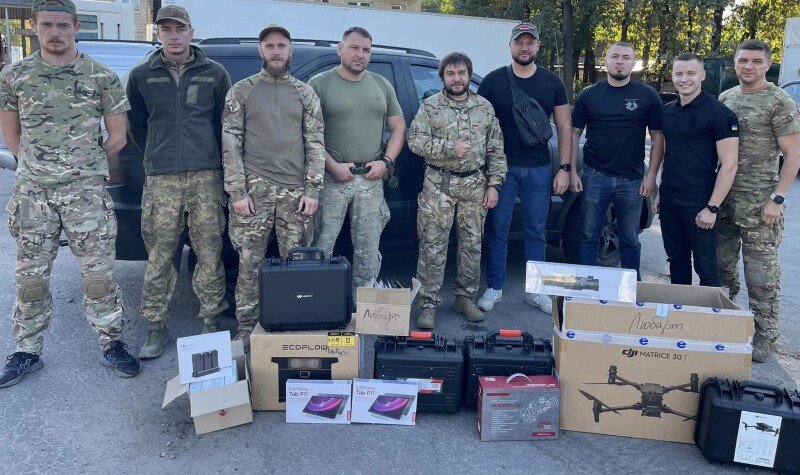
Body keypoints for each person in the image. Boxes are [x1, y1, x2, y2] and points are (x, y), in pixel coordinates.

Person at [0, 0, 139, 387]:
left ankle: (112, 342)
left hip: (86, 195)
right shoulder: (14, 76)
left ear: (76, 27)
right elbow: (10, 135)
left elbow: (118, 137)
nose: (55, 32)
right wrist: (38, 167)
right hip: (33, 195)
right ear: (34, 25)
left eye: (63, 25)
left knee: (99, 275)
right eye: (47, 24)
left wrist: (82, 167)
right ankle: (27, 350)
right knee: (30, 276)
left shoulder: (101, 76)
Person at [126, 5, 231, 359]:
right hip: (162, 179)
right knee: (160, 255)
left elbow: (223, 126)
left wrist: (212, 161)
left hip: (206, 177)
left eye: (180, 29)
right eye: (166, 29)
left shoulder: (214, 73)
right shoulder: (142, 75)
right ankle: (156, 326)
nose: (173, 36)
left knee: (209, 252)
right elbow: (137, 126)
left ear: (190, 32)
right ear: (158, 34)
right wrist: (159, 156)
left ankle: (211, 320)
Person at [222, 24, 325, 350]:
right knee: (249, 266)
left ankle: (292, 327)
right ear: (261, 51)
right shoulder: (242, 91)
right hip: (254, 193)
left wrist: (312, 190)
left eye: (282, 45)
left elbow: (315, 143)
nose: (276, 51)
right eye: (270, 46)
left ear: (290, 50)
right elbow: (230, 142)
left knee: (296, 267)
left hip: (296, 195)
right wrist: (237, 192)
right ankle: (246, 330)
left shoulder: (305, 93)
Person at [476, 22, 571, 315]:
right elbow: (479, 126)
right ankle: (494, 287)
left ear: (538, 46)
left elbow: (564, 127)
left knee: (536, 232)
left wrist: (565, 168)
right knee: (497, 230)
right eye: (519, 42)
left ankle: (536, 291)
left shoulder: (552, 82)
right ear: (510, 46)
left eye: (530, 42)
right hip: (501, 170)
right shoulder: (492, 81)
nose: (524, 47)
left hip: (539, 168)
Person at [407, 52, 507, 329]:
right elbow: (414, 141)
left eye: (461, 73)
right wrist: (450, 148)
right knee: (432, 245)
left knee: (472, 245)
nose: (457, 79)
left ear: (469, 75)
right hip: (438, 186)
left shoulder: (484, 108)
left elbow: (496, 149)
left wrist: (494, 184)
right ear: (442, 77)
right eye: (450, 74)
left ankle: (465, 298)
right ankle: (428, 303)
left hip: (475, 186)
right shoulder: (430, 107)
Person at [717, 40, 800, 363]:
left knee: (761, 276)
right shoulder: (727, 97)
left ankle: (765, 336)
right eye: (743, 60)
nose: (748, 66)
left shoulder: (779, 101)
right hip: (725, 200)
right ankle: (726, 323)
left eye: (755, 61)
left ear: (767, 64)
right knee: (722, 269)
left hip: (760, 204)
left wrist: (776, 199)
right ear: (735, 63)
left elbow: (793, 155)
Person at [308, 27, 406, 293]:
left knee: (368, 250)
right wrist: (331, 166)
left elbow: (399, 127)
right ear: (340, 48)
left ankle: (362, 306)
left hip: (371, 180)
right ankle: (317, 302)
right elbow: (307, 134)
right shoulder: (319, 84)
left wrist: (386, 162)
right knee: (321, 246)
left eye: (366, 50)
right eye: (354, 47)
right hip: (332, 179)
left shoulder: (381, 85)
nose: (360, 54)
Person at [570, 42, 664, 277]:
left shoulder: (647, 95)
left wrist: (651, 176)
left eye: (625, 57)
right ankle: (587, 286)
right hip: (594, 176)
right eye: (615, 56)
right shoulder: (589, 94)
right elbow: (574, 133)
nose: (619, 61)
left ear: (633, 63)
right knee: (588, 234)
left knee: (629, 237)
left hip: (632, 180)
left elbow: (657, 136)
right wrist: (571, 171)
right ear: (606, 61)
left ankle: (632, 287)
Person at [654, 53, 739, 287]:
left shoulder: (720, 114)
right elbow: (669, 154)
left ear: (702, 75)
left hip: (700, 202)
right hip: (670, 200)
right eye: (679, 73)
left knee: (706, 266)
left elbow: (730, 165)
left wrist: (712, 207)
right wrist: (661, 191)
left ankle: (709, 311)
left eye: (691, 73)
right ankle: (680, 308)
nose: (684, 79)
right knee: (676, 261)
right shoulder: (667, 112)